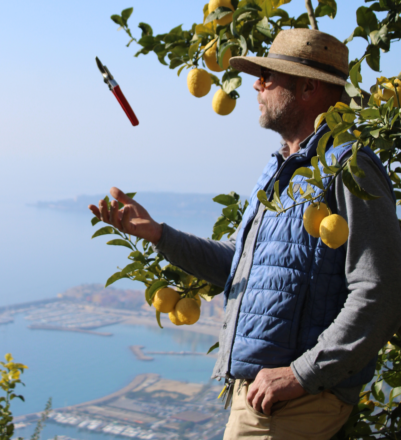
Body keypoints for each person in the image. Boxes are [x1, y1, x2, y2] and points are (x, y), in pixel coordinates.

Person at [89, 28, 401, 439]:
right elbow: (239, 267)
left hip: (294, 402)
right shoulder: (279, 171)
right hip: (268, 399)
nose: (256, 84)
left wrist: (300, 375)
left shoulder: (349, 168)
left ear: (308, 88)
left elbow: (380, 290)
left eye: (268, 77)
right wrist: (159, 235)